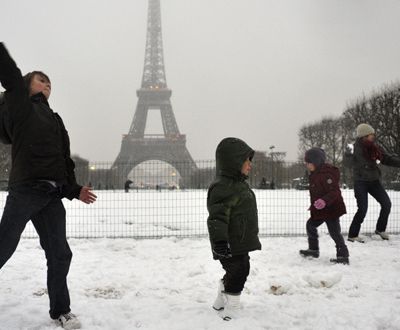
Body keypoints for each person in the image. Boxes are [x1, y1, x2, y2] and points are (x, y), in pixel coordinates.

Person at [0, 42, 97, 329]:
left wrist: (73, 189)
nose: (47, 84)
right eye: (41, 79)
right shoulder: (21, 108)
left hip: (52, 195)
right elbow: (10, 74)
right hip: (26, 190)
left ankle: (61, 310)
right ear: (27, 85)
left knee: (60, 253)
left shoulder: (55, 119)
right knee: (3, 246)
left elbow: (62, 161)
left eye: (50, 82)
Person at [207, 137, 261, 320]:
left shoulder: (237, 184)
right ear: (233, 162)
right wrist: (220, 242)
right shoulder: (223, 187)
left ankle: (222, 296)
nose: (250, 165)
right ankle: (232, 307)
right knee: (240, 270)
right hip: (229, 242)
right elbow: (217, 218)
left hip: (240, 240)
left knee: (237, 270)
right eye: (246, 161)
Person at [345, 123, 400, 242]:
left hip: (374, 180)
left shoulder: (375, 148)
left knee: (386, 204)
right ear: (364, 136)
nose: (373, 136)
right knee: (363, 209)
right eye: (371, 134)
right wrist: (348, 154)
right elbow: (347, 164)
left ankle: (380, 229)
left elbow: (387, 158)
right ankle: (352, 235)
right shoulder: (353, 148)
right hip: (360, 182)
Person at [299, 148, 349, 265]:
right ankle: (313, 250)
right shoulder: (315, 173)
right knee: (310, 225)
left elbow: (334, 192)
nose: (307, 165)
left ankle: (343, 255)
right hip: (321, 209)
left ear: (316, 162)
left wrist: (324, 201)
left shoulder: (327, 174)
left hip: (331, 208)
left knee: (334, 232)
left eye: (309, 162)